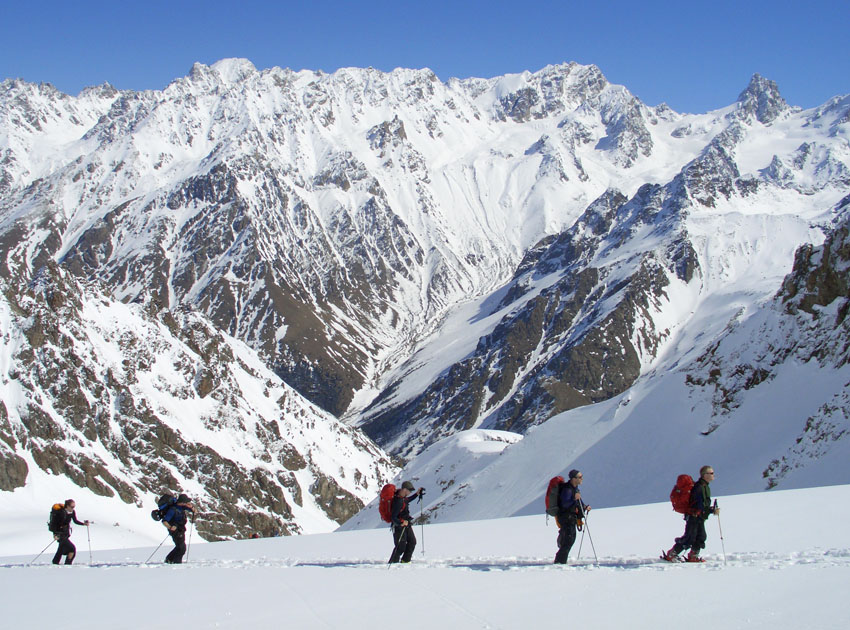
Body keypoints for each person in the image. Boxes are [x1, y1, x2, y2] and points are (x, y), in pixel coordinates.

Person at [663, 466, 719, 562]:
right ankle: (672, 554)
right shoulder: (699, 487)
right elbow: (698, 505)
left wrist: (710, 510)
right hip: (694, 517)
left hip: (699, 517)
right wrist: (710, 510)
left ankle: (693, 556)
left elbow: (702, 505)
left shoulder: (704, 486)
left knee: (701, 537)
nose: (714, 475)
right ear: (705, 475)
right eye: (711, 473)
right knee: (689, 538)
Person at [553, 470, 590, 565]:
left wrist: (585, 507)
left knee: (570, 539)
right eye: (580, 477)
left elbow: (578, 502)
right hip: (566, 517)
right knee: (568, 540)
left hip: (570, 517)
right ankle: (559, 562)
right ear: (574, 479)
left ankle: (560, 561)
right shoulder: (568, 490)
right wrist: (574, 499)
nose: (582, 479)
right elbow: (565, 504)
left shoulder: (574, 488)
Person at [388, 480, 424, 564]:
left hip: (406, 524)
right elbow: (393, 517)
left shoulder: (402, 498)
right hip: (399, 526)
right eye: (409, 490)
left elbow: (408, 500)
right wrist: (401, 522)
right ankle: (393, 563)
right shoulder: (398, 501)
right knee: (400, 547)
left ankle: (405, 561)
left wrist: (417, 494)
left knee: (412, 542)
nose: (410, 492)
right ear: (404, 489)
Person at [51, 499, 89, 565]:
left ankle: (55, 562)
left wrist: (83, 524)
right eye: (72, 507)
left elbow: (75, 521)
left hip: (66, 533)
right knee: (72, 549)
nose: (73, 508)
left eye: (74, 507)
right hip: (59, 534)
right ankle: (68, 564)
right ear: (67, 506)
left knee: (61, 549)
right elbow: (55, 524)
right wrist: (55, 534)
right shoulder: (61, 512)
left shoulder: (72, 512)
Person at [161, 494, 194, 564]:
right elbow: (164, 521)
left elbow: (194, 510)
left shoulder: (182, 507)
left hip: (181, 529)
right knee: (181, 548)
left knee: (180, 547)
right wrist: (170, 527)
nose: (187, 503)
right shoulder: (172, 510)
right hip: (175, 530)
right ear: (182, 502)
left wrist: (191, 507)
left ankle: (169, 560)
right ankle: (176, 563)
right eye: (186, 502)